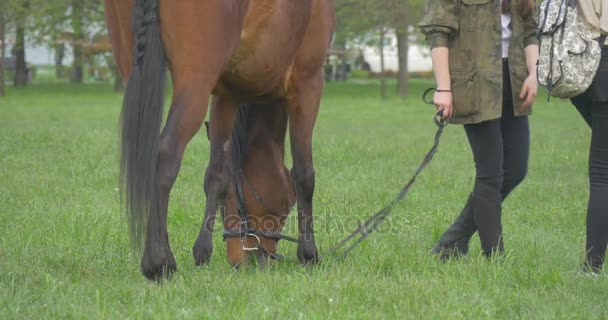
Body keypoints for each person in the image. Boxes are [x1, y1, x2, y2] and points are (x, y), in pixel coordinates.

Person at [417, 0, 539, 258]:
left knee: (516, 169)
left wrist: (533, 74)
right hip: (475, 83)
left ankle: (452, 242)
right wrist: (443, 88)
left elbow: (530, 29)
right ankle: (495, 258)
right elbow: (438, 32)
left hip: (514, 81)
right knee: (490, 174)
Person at [569, 0, 608, 274]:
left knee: (602, 173)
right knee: (603, 173)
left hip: (587, 68)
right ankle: (593, 266)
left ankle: (592, 267)